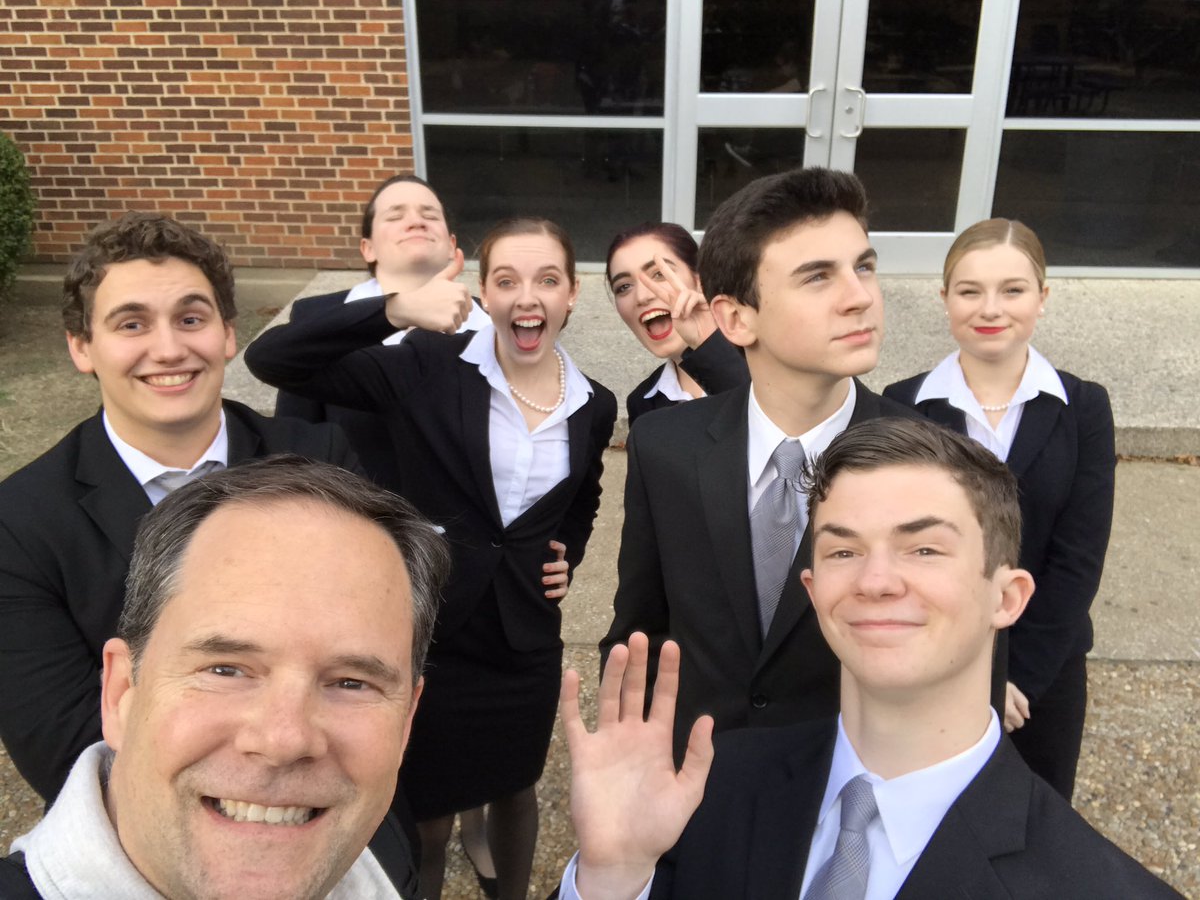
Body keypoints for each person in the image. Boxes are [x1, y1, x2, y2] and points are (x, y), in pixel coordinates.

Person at [558, 418, 1181, 900]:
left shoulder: (1099, 887)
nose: (875, 581)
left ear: (1007, 596)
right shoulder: (704, 792)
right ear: (812, 589)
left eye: (924, 549)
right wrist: (613, 875)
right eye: (843, 552)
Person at [245, 217, 617, 900]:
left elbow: (584, 493)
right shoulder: (426, 367)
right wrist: (389, 308)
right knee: (430, 817)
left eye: (547, 279)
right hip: (437, 631)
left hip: (524, 637)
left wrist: (570, 550)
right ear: (483, 291)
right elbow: (277, 360)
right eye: (506, 280)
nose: (526, 298)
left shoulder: (593, 403)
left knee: (516, 787)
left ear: (572, 294)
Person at [0, 212, 359, 806]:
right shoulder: (20, 524)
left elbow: (370, 646)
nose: (168, 349)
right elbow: (66, 749)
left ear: (226, 335)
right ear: (82, 346)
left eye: (190, 319)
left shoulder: (321, 461)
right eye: (131, 323)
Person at [0, 457, 451, 899]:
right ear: (121, 693)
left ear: (407, 717)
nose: (283, 740)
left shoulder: (383, 845)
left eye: (352, 682)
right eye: (225, 669)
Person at [600, 167, 917, 760]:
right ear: (737, 318)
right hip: (698, 781)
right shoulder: (664, 445)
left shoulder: (932, 463)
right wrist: (630, 758)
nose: (860, 296)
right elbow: (641, 627)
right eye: (817, 277)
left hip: (850, 788)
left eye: (864, 266)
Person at [883, 219, 1115, 800]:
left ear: (1042, 296)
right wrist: (960, 673)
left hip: (1044, 674)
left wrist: (1016, 677)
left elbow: (1078, 558)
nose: (991, 308)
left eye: (1012, 289)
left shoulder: (1083, 407)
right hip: (930, 665)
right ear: (944, 299)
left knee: (1031, 829)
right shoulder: (902, 406)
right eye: (969, 291)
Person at [275, 173, 490, 486]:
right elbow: (293, 435)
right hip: (354, 514)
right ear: (368, 248)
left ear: (451, 246)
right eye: (396, 215)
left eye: (429, 214)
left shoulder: (493, 322)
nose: (416, 222)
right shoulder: (318, 318)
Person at [604, 222, 747, 425]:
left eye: (659, 274)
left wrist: (709, 347)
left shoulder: (771, 362)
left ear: (700, 279)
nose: (642, 296)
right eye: (624, 286)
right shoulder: (643, 403)